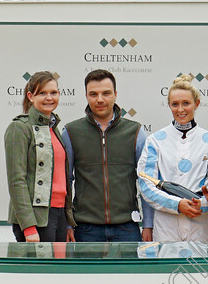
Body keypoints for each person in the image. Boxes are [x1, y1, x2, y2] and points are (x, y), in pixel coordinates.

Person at [61, 69, 154, 242]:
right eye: (93, 94)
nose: (100, 99)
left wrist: (148, 224)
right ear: (86, 96)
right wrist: (67, 224)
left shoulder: (136, 132)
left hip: (127, 227)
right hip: (85, 229)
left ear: (115, 94)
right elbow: (66, 180)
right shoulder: (70, 132)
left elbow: (146, 181)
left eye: (106, 93)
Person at [137, 74, 208, 242]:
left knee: (201, 269)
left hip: (199, 224)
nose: (180, 110)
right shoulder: (155, 141)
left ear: (197, 104)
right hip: (166, 226)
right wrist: (177, 205)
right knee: (168, 268)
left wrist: (200, 205)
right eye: (175, 104)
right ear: (169, 106)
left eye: (186, 103)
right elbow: (146, 185)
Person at [5, 71, 75, 242]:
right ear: (30, 96)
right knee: (41, 269)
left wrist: (67, 221)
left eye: (53, 92)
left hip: (59, 214)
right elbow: (16, 181)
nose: (49, 98)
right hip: (36, 219)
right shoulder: (19, 128)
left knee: (57, 269)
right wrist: (28, 226)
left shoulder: (54, 128)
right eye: (42, 93)